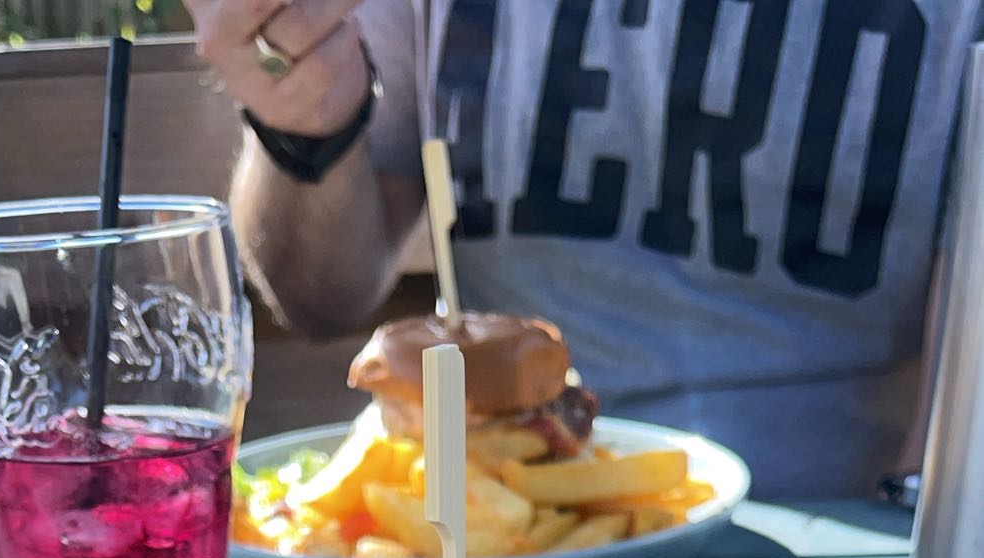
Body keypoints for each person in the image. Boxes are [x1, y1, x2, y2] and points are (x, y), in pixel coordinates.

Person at [183, 0, 982, 497]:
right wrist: (303, 132)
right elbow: (318, 294)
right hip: (494, 541)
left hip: (846, 548)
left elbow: (962, 395)